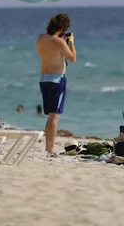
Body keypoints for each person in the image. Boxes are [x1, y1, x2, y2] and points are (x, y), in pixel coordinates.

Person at [36, 13, 77, 155]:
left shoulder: (41, 38)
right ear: (63, 28)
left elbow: (44, 54)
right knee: (54, 116)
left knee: (50, 116)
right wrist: (70, 41)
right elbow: (72, 59)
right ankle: (50, 148)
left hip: (44, 79)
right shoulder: (60, 42)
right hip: (57, 79)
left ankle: (48, 146)